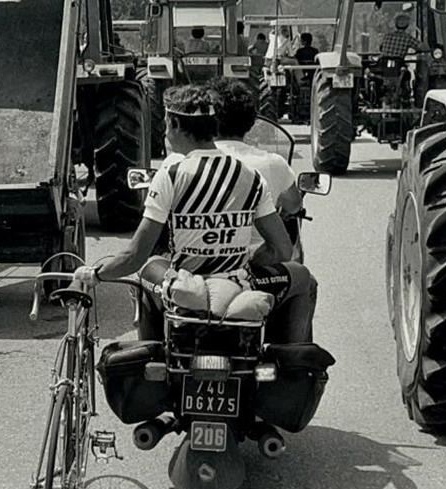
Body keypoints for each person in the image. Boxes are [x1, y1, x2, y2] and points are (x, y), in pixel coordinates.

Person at [73, 85, 317, 343]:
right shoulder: (252, 177)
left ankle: (153, 348)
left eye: (166, 123)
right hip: (237, 285)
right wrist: (248, 260)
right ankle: (292, 357)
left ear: (177, 124)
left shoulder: (171, 174)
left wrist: (95, 273)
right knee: (303, 277)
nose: (164, 131)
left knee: (146, 268)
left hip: (184, 286)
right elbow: (281, 249)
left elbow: (135, 256)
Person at [208, 76, 304, 247]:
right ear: (251, 121)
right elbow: (294, 205)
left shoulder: (186, 163)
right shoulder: (274, 163)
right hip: (258, 258)